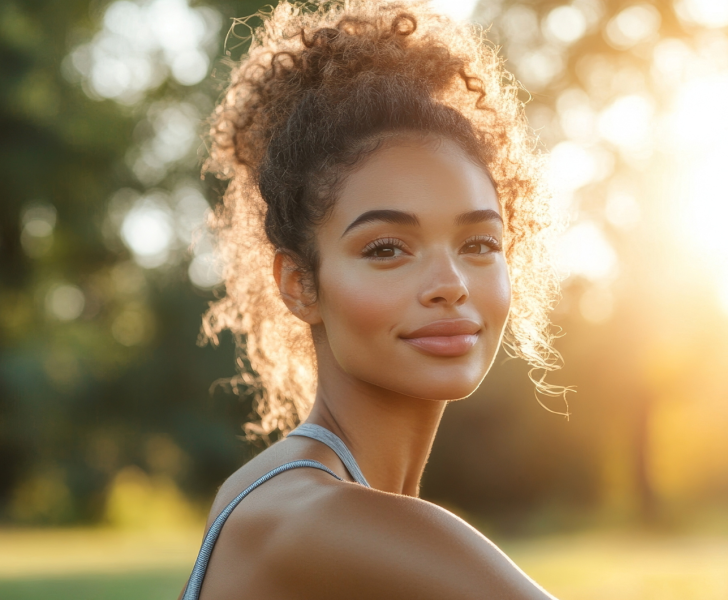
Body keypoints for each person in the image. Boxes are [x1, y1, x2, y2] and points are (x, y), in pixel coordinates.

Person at [182, 1, 561, 598]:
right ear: (300, 284)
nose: (451, 283)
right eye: (387, 248)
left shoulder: (289, 492)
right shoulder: (307, 517)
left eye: (480, 243)